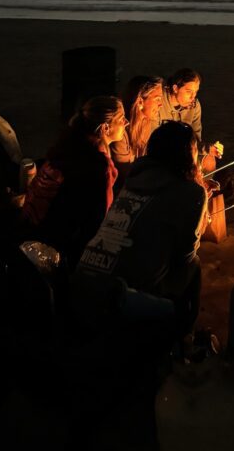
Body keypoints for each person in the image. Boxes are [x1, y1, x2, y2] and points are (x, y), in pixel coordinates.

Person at [76, 121, 208, 337]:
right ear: (188, 155)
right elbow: (185, 255)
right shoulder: (192, 192)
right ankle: (179, 333)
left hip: (83, 283)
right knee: (194, 264)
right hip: (121, 296)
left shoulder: (134, 178)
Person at [20, 96, 124, 268]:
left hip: (32, 229)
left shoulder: (69, 145)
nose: (126, 123)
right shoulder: (98, 166)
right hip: (58, 248)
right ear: (106, 127)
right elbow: (98, 223)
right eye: (121, 119)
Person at [159, 69, 223, 173]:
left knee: (209, 162)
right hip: (162, 153)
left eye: (196, 92)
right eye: (189, 92)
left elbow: (195, 140)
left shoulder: (194, 106)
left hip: (184, 152)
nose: (193, 97)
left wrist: (207, 148)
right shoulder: (159, 103)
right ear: (175, 88)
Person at [110, 75, 164, 185]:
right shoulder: (120, 132)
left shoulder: (145, 124)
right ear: (140, 102)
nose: (161, 104)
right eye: (157, 99)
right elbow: (127, 175)